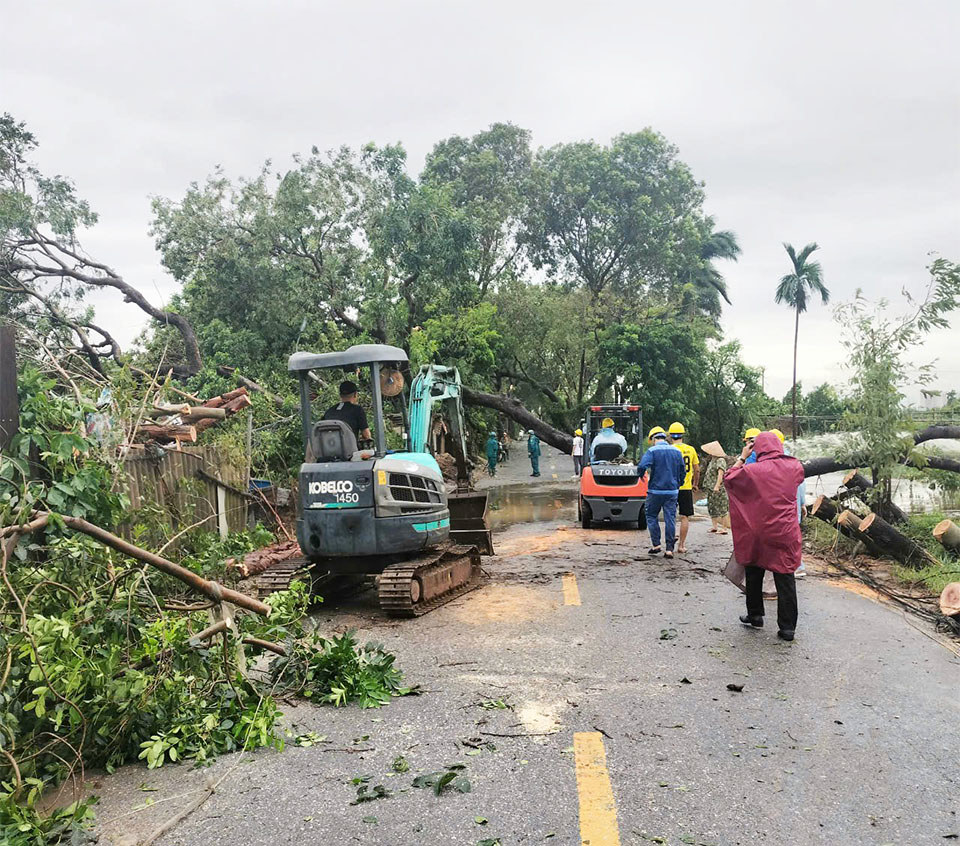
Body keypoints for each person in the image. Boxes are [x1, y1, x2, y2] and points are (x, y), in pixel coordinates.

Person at [723, 431, 804, 641]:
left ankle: (755, 615)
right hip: (784, 532)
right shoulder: (794, 467)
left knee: (754, 571)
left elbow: (729, 478)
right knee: (785, 578)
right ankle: (787, 629)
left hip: (756, 532)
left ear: (757, 448)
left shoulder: (751, 471)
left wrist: (742, 457)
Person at [638, 431, 686, 559]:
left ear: (654, 439)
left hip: (655, 490)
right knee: (670, 518)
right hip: (672, 491)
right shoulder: (676, 452)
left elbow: (642, 465)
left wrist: (641, 475)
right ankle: (669, 549)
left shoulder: (652, 451)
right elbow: (682, 470)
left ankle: (656, 544)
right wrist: (678, 484)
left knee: (651, 515)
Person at [769, 428, 807, 577]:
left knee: (783, 537)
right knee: (793, 535)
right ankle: (797, 565)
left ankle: (795, 566)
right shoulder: (791, 458)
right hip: (794, 503)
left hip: (782, 505)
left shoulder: (773, 459)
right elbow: (801, 480)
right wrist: (803, 502)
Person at [668, 422, 700, 554]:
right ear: (682, 435)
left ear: (670, 435)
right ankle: (681, 545)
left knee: (670, 515)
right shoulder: (690, 449)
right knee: (684, 517)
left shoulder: (668, 449)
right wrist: (695, 484)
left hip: (671, 486)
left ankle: (670, 542)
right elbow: (697, 470)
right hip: (686, 487)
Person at [701, 441, 729, 534]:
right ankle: (715, 526)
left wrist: (717, 486)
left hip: (718, 488)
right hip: (710, 488)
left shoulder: (720, 460)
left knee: (722, 508)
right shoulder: (712, 460)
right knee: (712, 507)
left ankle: (724, 528)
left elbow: (721, 474)